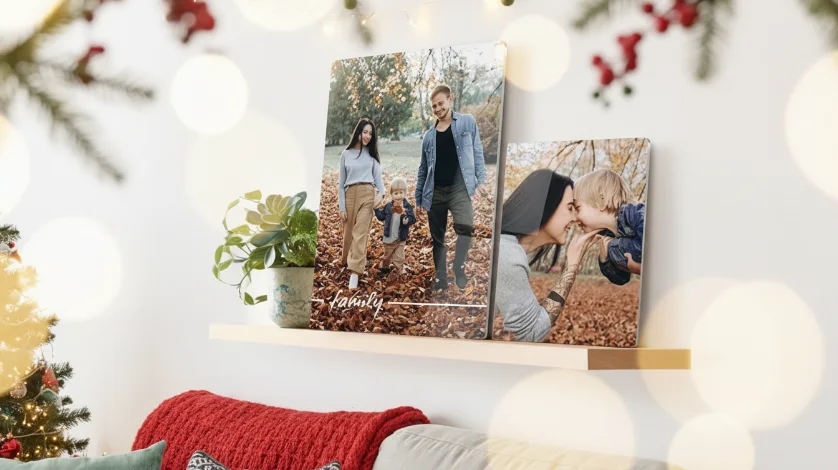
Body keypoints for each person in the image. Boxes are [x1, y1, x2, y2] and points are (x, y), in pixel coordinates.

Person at [494, 169, 600, 343]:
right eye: (570, 208)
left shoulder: (506, 248)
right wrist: (571, 268)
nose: (575, 217)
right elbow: (531, 333)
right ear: (543, 205)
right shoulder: (507, 254)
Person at [415, 84, 487, 292]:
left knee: (466, 229)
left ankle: (459, 266)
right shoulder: (429, 136)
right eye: (434, 106)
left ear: (450, 100)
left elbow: (478, 152)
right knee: (437, 238)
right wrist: (419, 197)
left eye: (441, 103)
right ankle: (440, 278)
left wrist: (481, 180)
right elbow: (422, 169)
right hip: (435, 191)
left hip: (460, 189)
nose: (438, 108)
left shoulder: (467, 122)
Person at [572, 169, 644, 285]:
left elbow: (654, 244)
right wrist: (605, 259)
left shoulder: (635, 214)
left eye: (578, 209)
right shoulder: (607, 239)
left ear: (601, 201)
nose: (574, 218)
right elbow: (621, 279)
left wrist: (643, 267)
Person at [338, 117, 387, 289]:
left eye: (370, 134)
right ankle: (346, 261)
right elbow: (341, 183)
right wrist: (341, 206)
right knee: (349, 233)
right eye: (365, 132)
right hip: (350, 194)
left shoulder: (372, 156)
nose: (367, 136)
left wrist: (382, 193)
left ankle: (355, 272)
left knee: (360, 235)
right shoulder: (346, 155)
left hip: (367, 194)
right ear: (358, 132)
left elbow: (379, 180)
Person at [374, 177, 416, 282]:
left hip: (401, 237)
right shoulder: (388, 207)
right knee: (387, 255)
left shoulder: (407, 206)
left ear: (405, 193)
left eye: (401, 192)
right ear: (391, 194)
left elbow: (412, 218)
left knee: (399, 256)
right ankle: (385, 267)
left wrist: (408, 220)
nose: (398, 196)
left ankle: (399, 270)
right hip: (389, 237)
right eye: (396, 193)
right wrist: (376, 209)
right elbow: (381, 216)